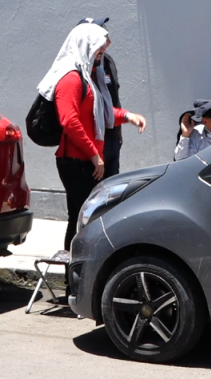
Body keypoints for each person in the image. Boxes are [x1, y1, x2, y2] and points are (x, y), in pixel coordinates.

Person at [36, 22, 147, 250]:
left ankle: (75, 279)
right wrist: (94, 154)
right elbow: (70, 121)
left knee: (82, 219)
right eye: (98, 49)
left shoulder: (86, 77)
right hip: (76, 163)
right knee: (85, 221)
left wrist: (127, 116)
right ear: (85, 45)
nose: (102, 53)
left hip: (87, 161)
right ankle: (75, 277)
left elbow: (99, 113)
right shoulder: (70, 79)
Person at [78, 17, 123, 178]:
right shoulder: (76, 69)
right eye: (102, 36)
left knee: (112, 191)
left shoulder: (107, 62)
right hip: (90, 144)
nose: (108, 41)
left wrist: (118, 132)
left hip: (111, 138)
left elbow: (114, 96)